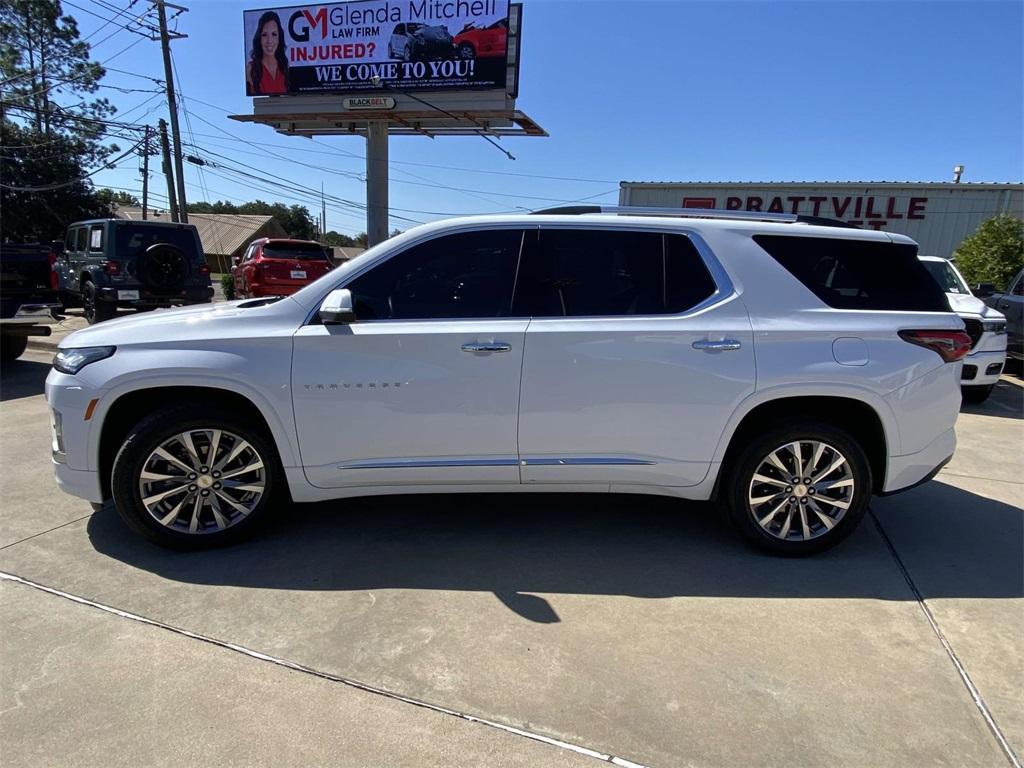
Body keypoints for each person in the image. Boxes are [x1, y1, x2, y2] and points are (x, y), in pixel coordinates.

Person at [246, 11, 288, 95]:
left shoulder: (284, 67)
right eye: (264, 35)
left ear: (279, 38)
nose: (269, 41)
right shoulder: (251, 68)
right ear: (259, 38)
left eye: (274, 34)